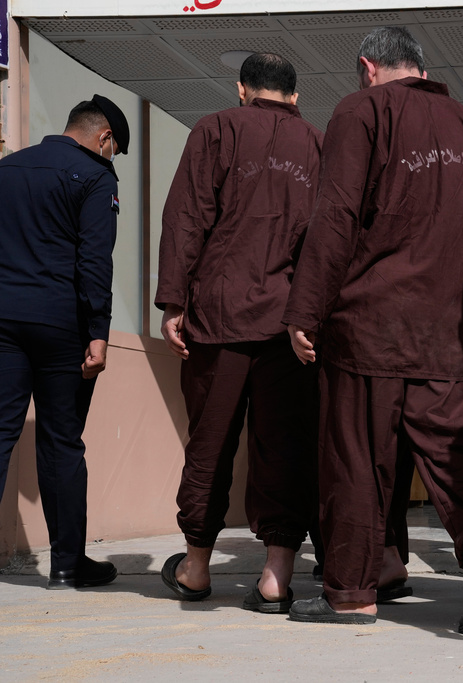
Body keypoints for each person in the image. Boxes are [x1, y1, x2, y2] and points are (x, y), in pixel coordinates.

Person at [282, 26, 463, 633]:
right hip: (446, 328)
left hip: (369, 325)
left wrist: (304, 310)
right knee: (455, 451)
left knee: (356, 460)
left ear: (368, 67)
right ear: (420, 67)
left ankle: (352, 595)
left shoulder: (359, 111)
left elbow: (336, 214)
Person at [155, 53, 322, 612]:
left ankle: (198, 569)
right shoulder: (317, 146)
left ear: (243, 88)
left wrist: (173, 300)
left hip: (219, 317)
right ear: (294, 97)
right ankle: (276, 576)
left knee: (210, 442)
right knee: (285, 446)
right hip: (289, 325)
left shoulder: (215, 130)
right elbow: (332, 237)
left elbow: (186, 217)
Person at [0, 94, 129, 589]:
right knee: (60, 443)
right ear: (103, 138)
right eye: (114, 148)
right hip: (60, 327)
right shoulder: (96, 177)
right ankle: (66, 566)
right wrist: (98, 331)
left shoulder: (7, 169)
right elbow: (96, 260)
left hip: (3, 323)